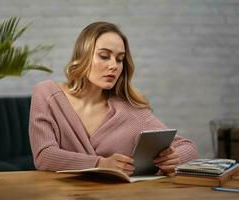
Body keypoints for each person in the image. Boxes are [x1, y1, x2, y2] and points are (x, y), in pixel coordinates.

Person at [29, 21, 198, 176]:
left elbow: (188, 148)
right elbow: (44, 155)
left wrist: (174, 159)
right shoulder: (47, 94)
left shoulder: (131, 111)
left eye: (120, 59)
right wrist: (100, 163)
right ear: (83, 56)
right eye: (104, 56)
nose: (114, 66)